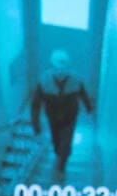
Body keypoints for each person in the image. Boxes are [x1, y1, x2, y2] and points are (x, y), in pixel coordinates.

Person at [31, 49, 94, 177]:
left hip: (66, 116)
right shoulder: (46, 79)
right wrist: (89, 108)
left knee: (65, 141)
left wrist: (88, 107)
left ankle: (61, 164)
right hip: (56, 116)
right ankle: (60, 157)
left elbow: (36, 104)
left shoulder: (72, 79)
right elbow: (35, 105)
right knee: (57, 140)